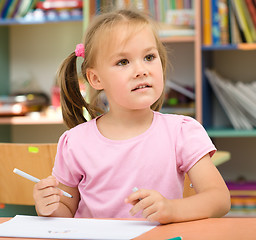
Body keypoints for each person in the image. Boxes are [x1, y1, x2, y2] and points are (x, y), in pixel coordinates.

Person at [33, 8, 231, 224]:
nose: (141, 70)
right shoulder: (75, 142)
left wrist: (172, 209)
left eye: (149, 57)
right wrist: (48, 207)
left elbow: (219, 199)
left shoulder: (182, 132)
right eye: (123, 62)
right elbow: (65, 210)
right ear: (95, 79)